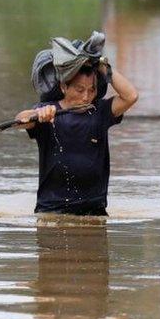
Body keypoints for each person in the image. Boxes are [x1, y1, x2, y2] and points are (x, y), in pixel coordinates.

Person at [16, 61, 138, 216]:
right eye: (79, 90)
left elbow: (131, 96)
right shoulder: (48, 112)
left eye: (91, 90)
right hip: (51, 210)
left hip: (95, 210)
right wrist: (37, 114)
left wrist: (101, 65)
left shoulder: (100, 111)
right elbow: (20, 121)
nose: (86, 97)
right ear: (63, 87)